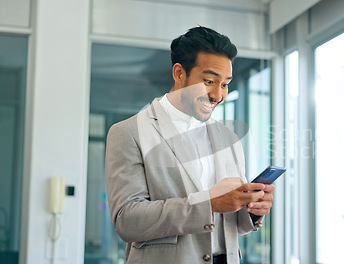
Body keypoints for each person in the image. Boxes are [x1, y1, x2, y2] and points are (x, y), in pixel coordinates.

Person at [105, 26, 274, 264]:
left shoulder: (229, 138)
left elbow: (230, 225)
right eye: (208, 81)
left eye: (225, 84)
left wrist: (251, 210)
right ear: (179, 73)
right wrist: (209, 204)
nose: (218, 95)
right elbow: (127, 221)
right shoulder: (129, 132)